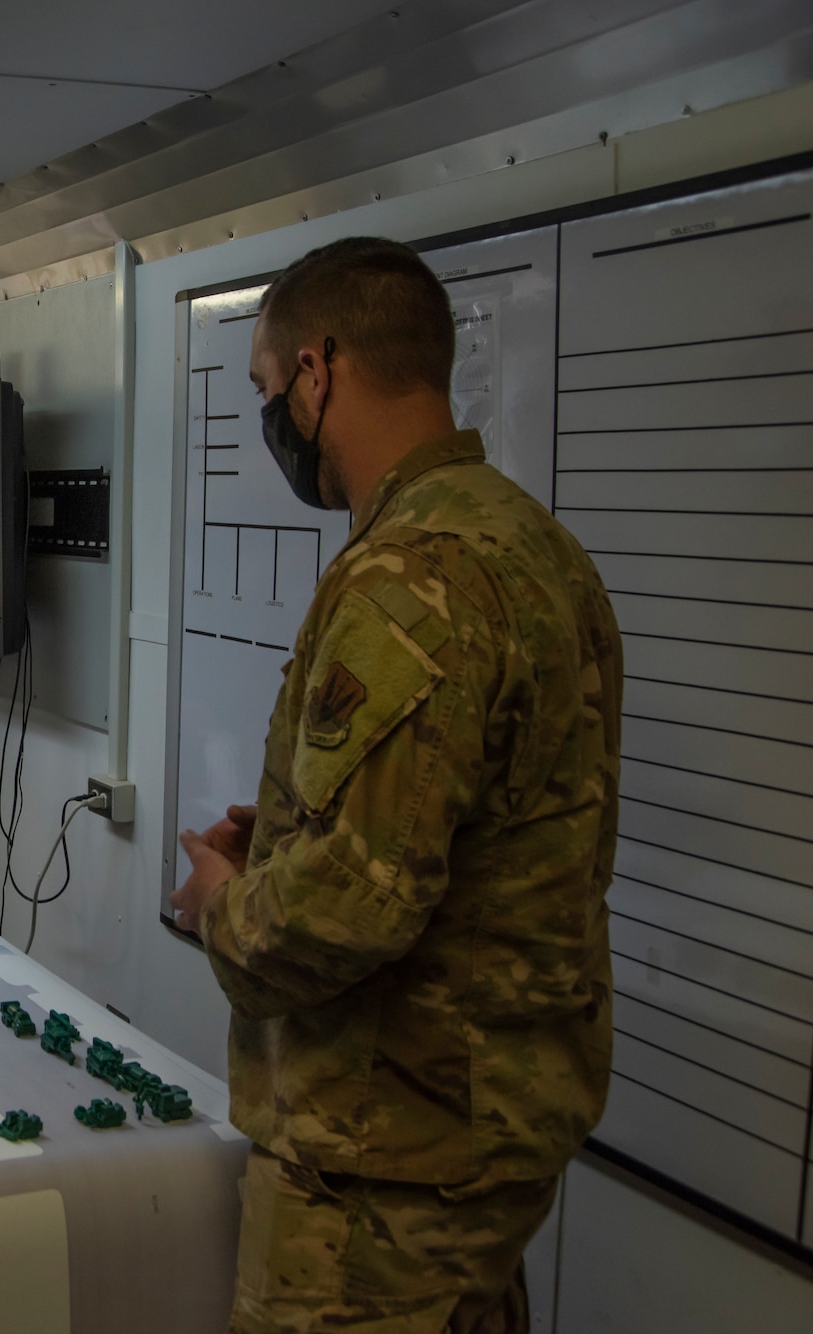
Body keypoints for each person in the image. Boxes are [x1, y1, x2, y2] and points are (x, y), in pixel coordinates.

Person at [167, 238, 622, 1334]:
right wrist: (280, 828)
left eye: (269, 390)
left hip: (381, 1165)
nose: (273, 418)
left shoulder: (405, 575)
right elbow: (471, 825)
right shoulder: (536, 548)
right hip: (484, 1137)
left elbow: (343, 906)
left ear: (317, 373)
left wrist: (219, 902)